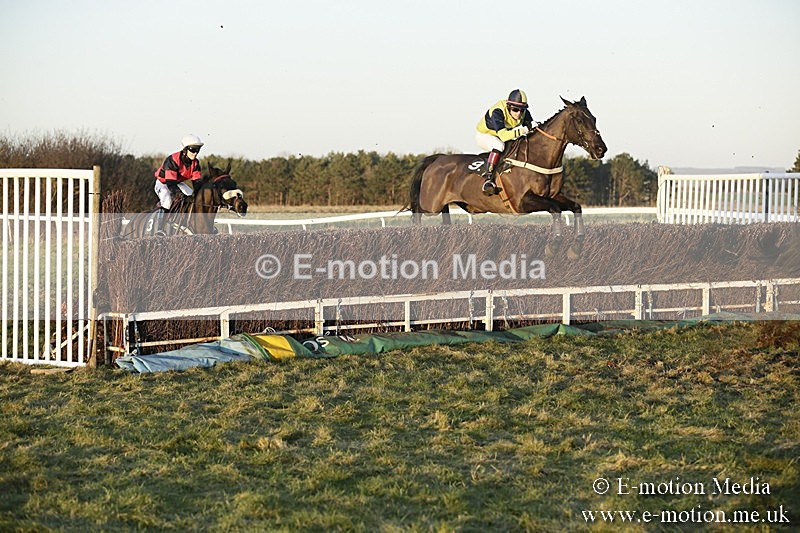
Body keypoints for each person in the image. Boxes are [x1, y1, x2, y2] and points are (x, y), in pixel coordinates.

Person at [475, 89, 534, 195]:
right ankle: (488, 180)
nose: (519, 113)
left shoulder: (523, 113)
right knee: (499, 145)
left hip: (501, 135)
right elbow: (504, 136)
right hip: (484, 135)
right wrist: (523, 130)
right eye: (515, 109)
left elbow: (532, 127)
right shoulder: (498, 111)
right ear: (508, 106)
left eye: (522, 110)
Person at [152, 134, 204, 233]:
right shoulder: (172, 160)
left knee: (192, 197)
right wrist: (179, 194)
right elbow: (170, 183)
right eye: (193, 149)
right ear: (185, 149)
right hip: (163, 183)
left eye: (198, 150)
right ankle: (160, 229)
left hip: (178, 182)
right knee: (167, 201)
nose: (196, 153)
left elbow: (197, 182)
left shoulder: (195, 163)